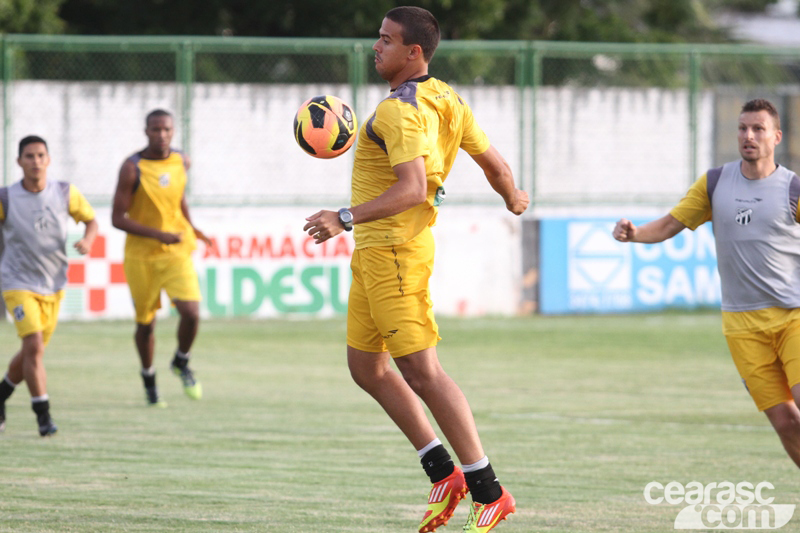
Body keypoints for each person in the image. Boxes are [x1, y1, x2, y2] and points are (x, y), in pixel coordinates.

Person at [303, 7, 528, 532]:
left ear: (414, 53)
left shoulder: (397, 113)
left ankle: (489, 490)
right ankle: (441, 472)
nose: (374, 47)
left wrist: (342, 217)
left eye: (386, 40)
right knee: (367, 369)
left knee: (423, 373)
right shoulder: (446, 97)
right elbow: (496, 165)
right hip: (376, 257)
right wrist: (513, 197)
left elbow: (412, 189)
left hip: (395, 257)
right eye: (377, 37)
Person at [613, 98, 800, 468]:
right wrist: (634, 234)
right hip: (741, 325)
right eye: (743, 128)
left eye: (758, 128)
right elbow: (669, 224)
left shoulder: (792, 187)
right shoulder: (715, 182)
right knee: (785, 423)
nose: (748, 135)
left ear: (776, 136)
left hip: (793, 316)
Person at [112, 109, 210, 407]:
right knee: (146, 325)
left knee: (192, 312)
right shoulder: (133, 168)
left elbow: (178, 196)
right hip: (142, 257)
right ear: (146, 131)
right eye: (156, 129)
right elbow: (117, 218)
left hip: (176, 250)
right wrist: (158, 235)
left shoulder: (182, 160)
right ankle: (149, 378)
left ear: (173, 130)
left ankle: (181, 362)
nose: (162, 135)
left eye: (166, 129)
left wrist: (192, 226)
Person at [0, 135, 98, 436]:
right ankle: (43, 416)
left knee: (33, 353)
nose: (36, 161)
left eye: (41, 155)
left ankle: (1, 394)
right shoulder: (6, 197)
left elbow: (92, 221)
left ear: (49, 159)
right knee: (34, 345)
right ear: (19, 162)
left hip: (53, 285)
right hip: (16, 283)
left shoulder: (65, 192)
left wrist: (88, 240)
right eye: (29, 156)